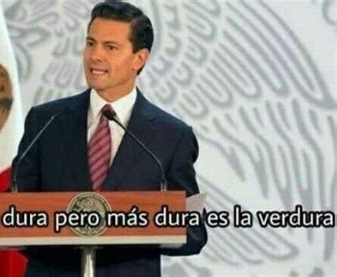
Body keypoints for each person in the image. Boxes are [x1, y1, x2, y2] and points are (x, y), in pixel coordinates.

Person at [12, 2, 207, 276]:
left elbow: (194, 231)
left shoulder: (171, 136)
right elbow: (15, 211)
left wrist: (136, 226)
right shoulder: (46, 121)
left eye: (110, 47)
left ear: (139, 59)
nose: (95, 56)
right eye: (91, 43)